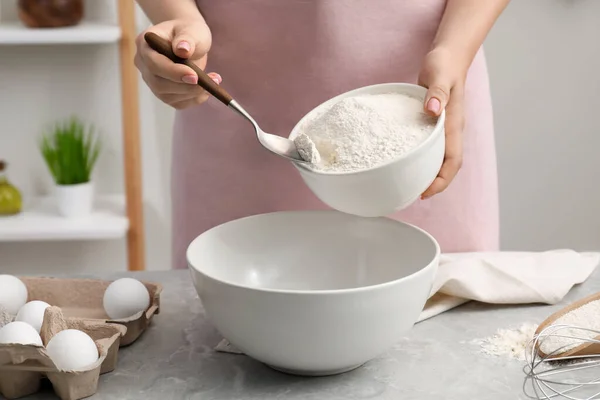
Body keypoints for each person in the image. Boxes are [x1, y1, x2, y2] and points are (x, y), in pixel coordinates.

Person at [134, 0, 509, 270]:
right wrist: (178, 18)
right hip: (234, 97)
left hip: (424, 99)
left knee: (448, 324)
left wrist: (454, 49)